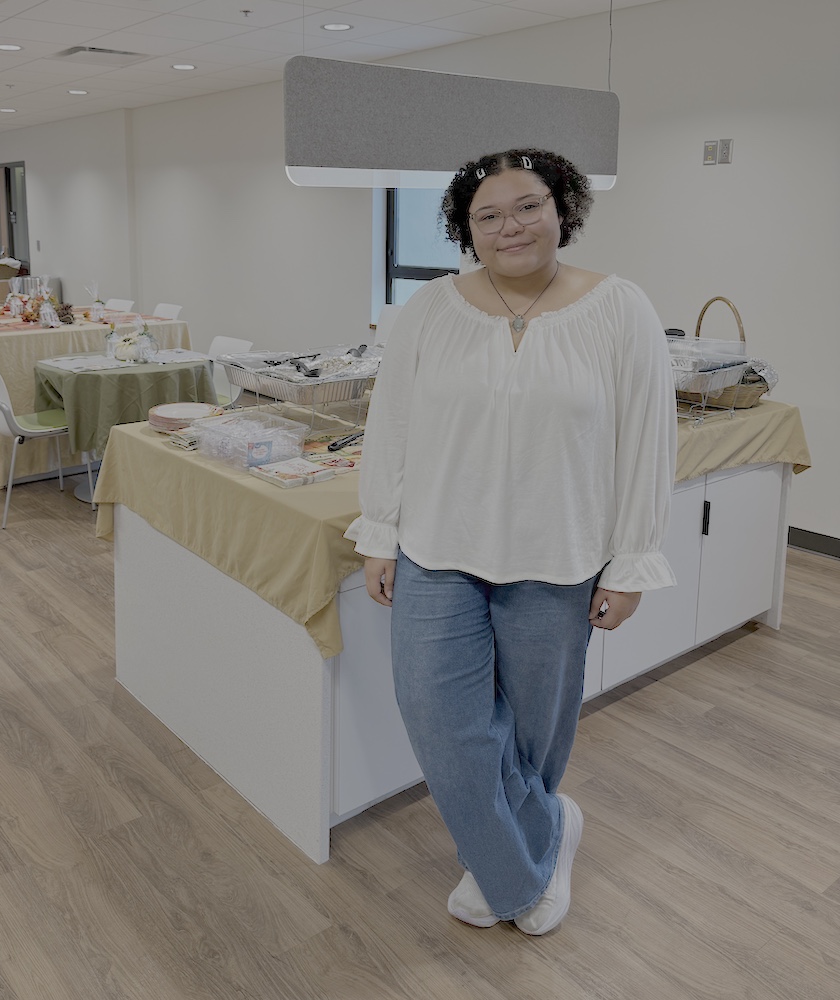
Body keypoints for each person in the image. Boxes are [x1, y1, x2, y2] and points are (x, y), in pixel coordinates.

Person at [343, 149, 676, 935]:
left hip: (558, 554)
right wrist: (381, 534)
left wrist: (630, 562)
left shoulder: (619, 308)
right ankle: (540, 843)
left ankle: (501, 857)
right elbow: (390, 427)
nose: (510, 227)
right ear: (467, 229)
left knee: (533, 728)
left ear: (563, 207)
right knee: (436, 713)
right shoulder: (430, 309)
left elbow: (646, 443)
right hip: (437, 549)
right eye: (487, 216)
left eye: (527, 206)